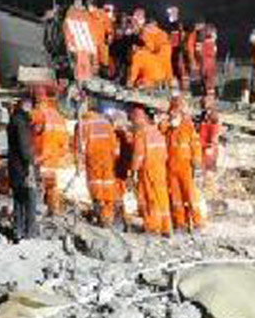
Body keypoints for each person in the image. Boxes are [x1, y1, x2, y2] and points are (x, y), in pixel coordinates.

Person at [74, 99, 121, 227]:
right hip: (108, 160)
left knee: (96, 187)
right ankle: (107, 217)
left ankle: (99, 214)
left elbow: (79, 146)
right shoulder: (106, 123)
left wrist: (78, 164)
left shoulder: (83, 124)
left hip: (93, 160)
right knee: (108, 187)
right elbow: (114, 144)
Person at [165, 97, 203, 232]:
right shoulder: (168, 130)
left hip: (185, 166)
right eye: (171, 112)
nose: (172, 115)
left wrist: (197, 162)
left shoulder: (188, 127)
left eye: (175, 112)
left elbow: (195, 145)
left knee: (190, 195)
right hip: (171, 167)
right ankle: (180, 222)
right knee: (176, 197)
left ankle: (197, 221)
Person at [131, 107, 170, 236]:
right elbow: (165, 153)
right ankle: (165, 227)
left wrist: (133, 171)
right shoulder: (158, 132)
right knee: (162, 198)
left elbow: (139, 155)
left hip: (147, 170)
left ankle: (153, 227)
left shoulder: (142, 134)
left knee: (149, 198)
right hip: (160, 169)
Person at [31, 85, 69, 216]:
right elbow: (64, 142)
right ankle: (53, 209)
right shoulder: (58, 116)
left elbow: (29, 134)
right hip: (53, 159)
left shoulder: (37, 114)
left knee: (36, 185)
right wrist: (58, 155)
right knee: (52, 186)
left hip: (39, 157)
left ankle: (38, 211)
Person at [7, 97, 39, 241]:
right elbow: (24, 146)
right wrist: (30, 163)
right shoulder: (22, 123)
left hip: (14, 165)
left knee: (18, 199)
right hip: (23, 166)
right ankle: (30, 232)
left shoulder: (14, 120)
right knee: (30, 197)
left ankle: (18, 230)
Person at [64, 0, 97, 82]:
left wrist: (92, 42)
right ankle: (80, 77)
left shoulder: (85, 15)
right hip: (78, 43)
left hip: (84, 43)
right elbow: (68, 29)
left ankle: (86, 77)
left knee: (85, 61)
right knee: (79, 61)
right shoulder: (70, 14)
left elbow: (90, 28)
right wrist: (70, 43)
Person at [199, 94, 221, 171]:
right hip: (203, 143)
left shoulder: (213, 115)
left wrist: (211, 144)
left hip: (208, 145)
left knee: (209, 165)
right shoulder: (204, 114)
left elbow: (214, 132)